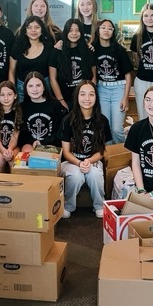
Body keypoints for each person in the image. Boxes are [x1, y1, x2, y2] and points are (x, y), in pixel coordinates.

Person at [60, 81, 111, 218]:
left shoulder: (102, 121)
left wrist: (89, 161)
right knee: (76, 176)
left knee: (95, 174)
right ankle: (68, 205)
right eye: (83, 94)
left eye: (91, 94)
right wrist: (79, 163)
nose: (87, 98)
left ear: (96, 97)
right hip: (71, 161)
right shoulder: (67, 120)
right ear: (77, 97)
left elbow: (102, 151)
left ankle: (99, 205)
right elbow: (66, 152)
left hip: (93, 160)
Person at [92, 19, 134, 144]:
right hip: (101, 89)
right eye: (103, 27)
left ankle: (121, 151)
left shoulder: (119, 50)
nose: (106, 30)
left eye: (110, 28)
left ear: (113, 32)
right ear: (98, 31)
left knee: (116, 129)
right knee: (105, 126)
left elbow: (128, 75)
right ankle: (109, 153)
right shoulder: (92, 49)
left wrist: (125, 97)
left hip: (118, 89)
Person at [49, 18, 95, 111]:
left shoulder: (88, 51)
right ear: (65, 32)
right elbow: (52, 79)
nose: (74, 33)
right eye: (70, 30)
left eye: (77, 30)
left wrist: (90, 97)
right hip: (64, 99)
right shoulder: (56, 51)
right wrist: (61, 100)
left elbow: (93, 76)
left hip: (84, 100)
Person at [19, 71, 67, 153]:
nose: (35, 89)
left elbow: (59, 131)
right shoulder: (22, 107)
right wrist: (33, 141)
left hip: (51, 144)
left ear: (44, 87)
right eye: (30, 86)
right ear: (26, 89)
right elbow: (22, 134)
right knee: (27, 152)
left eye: (38, 85)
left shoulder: (55, 105)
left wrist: (43, 142)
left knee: (47, 154)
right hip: (31, 144)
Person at [9, 15, 53, 101]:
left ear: (42, 30)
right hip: (22, 90)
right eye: (29, 27)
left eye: (37, 27)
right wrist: (12, 91)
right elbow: (11, 72)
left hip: (44, 89)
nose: (33, 30)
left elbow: (52, 74)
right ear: (25, 31)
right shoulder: (17, 48)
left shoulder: (49, 47)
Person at [0, 81, 22, 173]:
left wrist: (9, 149)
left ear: (15, 95)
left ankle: (14, 182)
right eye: (2, 95)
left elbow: (15, 136)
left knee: (13, 158)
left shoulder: (19, 111)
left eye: (9, 94)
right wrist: (3, 150)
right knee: (0, 157)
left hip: (13, 146)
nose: (6, 98)